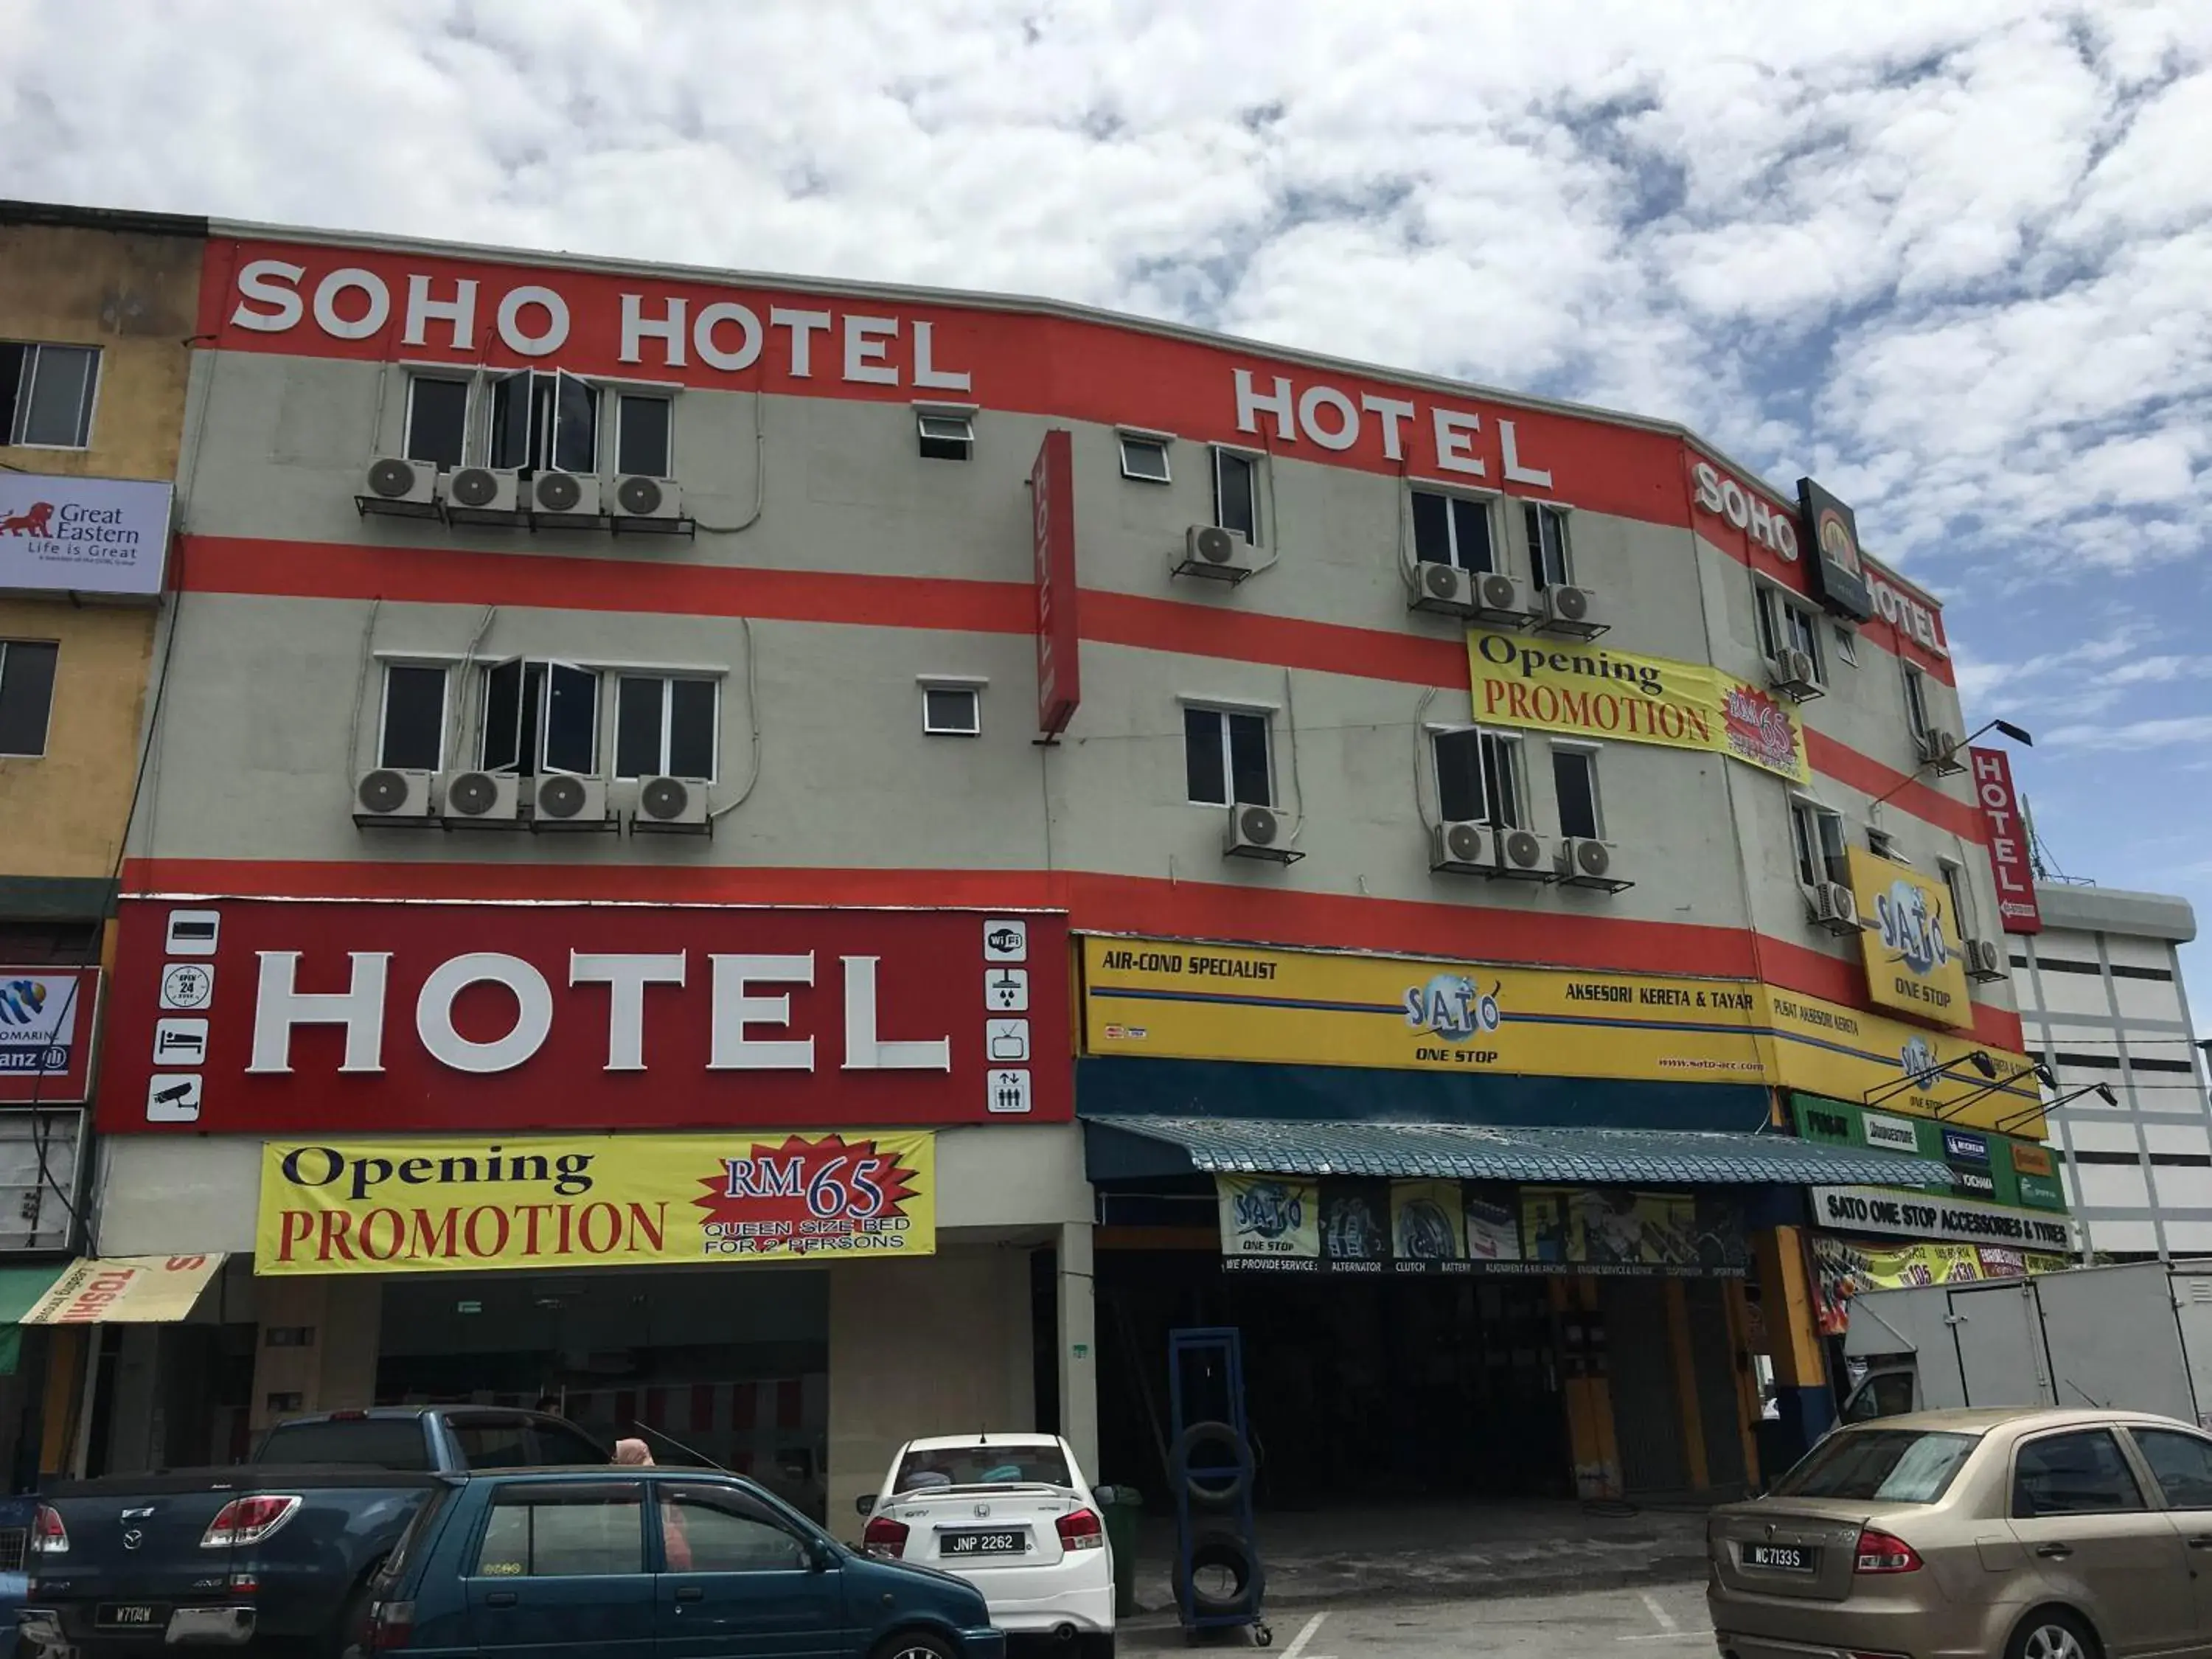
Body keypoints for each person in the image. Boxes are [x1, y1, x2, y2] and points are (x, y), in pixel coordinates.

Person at [616, 1439, 691, 1570]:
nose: (612, 1462)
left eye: (616, 1456)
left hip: (666, 1559)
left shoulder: (641, 1487)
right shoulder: (649, 1484)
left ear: (632, 1457)